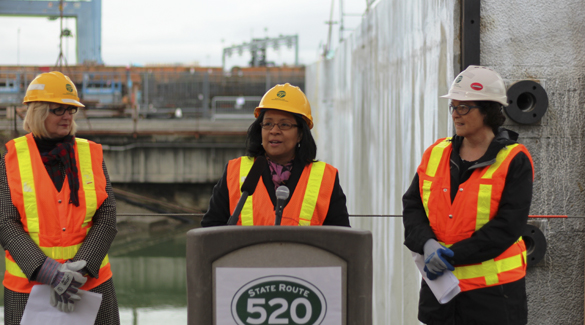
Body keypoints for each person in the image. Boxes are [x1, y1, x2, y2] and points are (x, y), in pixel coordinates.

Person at [402, 66, 534, 325]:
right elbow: (413, 206)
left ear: (488, 111)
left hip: (494, 299)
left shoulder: (514, 160)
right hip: (441, 295)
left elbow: (508, 227)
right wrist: (427, 244)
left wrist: (452, 255)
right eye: (453, 106)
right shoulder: (436, 154)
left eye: (464, 107)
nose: (455, 114)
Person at [0, 71, 120, 324]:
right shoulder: (11, 159)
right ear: (38, 111)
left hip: (89, 286)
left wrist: (81, 268)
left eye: (71, 110)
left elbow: (107, 214)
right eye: (58, 109)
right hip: (30, 289)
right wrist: (49, 272)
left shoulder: (91, 154)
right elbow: (5, 221)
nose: (67, 115)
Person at [202, 83, 350, 227]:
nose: (274, 131)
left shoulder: (325, 178)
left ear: (300, 134)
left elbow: (341, 241)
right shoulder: (234, 172)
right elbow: (210, 231)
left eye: (284, 125)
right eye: (267, 124)